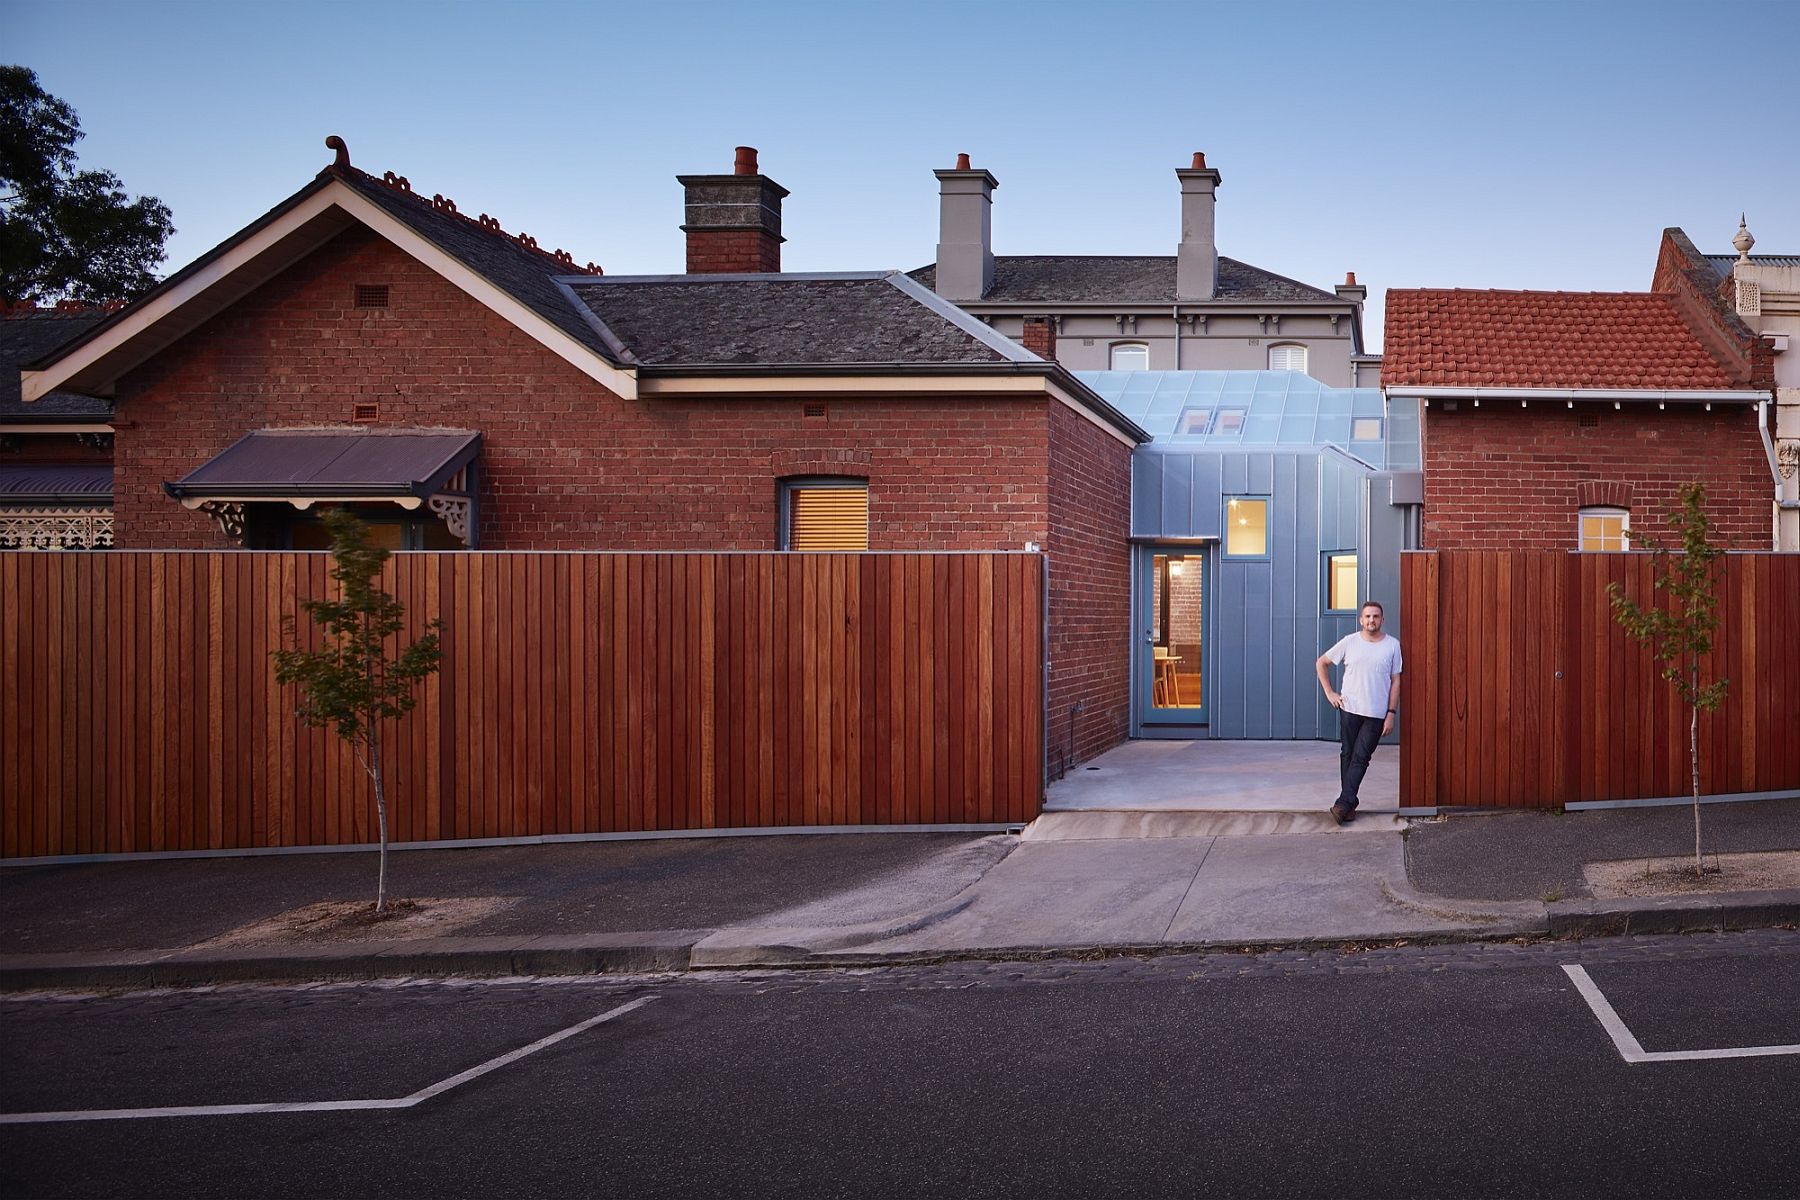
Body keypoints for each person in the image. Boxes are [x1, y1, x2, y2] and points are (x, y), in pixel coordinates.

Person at [1315, 600, 1402, 825]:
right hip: (1349, 709)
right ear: (1361, 620)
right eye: (1367, 616)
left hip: (1376, 713)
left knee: (1361, 757)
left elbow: (1396, 681)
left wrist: (1391, 712)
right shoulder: (1349, 642)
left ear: (1382, 620)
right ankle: (1348, 805)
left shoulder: (1392, 645)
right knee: (1348, 754)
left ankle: (1343, 803)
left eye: (1376, 616)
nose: (1371, 620)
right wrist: (1330, 693)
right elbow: (1321, 663)